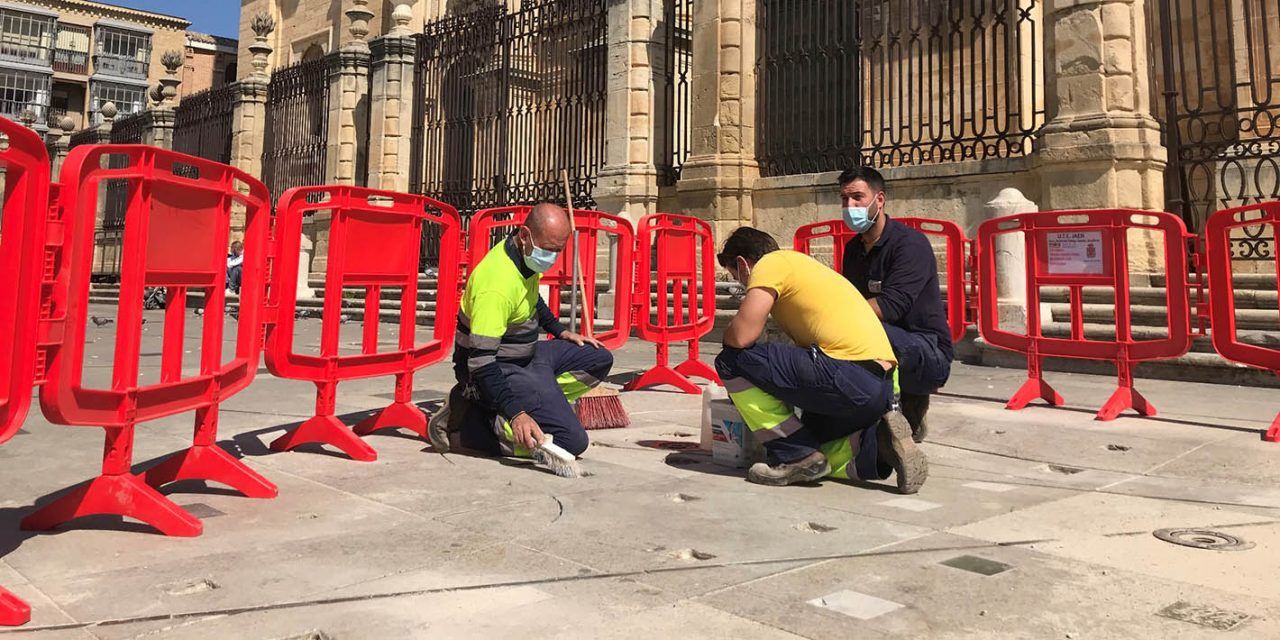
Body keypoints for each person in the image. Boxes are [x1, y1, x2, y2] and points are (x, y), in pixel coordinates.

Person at [714, 227, 927, 493]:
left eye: (739, 278)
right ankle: (878, 447)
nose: (745, 286)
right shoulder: (809, 269)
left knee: (730, 360)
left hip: (849, 375)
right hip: (882, 388)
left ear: (743, 264)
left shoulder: (771, 264)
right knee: (814, 443)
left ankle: (795, 455)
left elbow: (742, 337)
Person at [429, 203, 614, 460]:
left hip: (528, 355)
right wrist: (517, 414)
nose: (552, 257)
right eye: (549, 250)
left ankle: (536, 401)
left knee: (599, 357)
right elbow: (480, 362)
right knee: (572, 442)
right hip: (500, 366)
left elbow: (532, 298)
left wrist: (560, 331)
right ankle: (469, 427)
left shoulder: (522, 257)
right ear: (525, 235)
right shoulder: (496, 285)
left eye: (558, 251)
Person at [838, 167, 954, 442]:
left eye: (857, 198)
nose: (850, 206)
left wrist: (833, 315)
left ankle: (909, 402)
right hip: (880, 339)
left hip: (926, 351)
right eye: (844, 200)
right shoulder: (854, 250)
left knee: (858, 331)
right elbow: (853, 301)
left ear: (879, 200)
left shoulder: (909, 245)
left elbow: (892, 306)